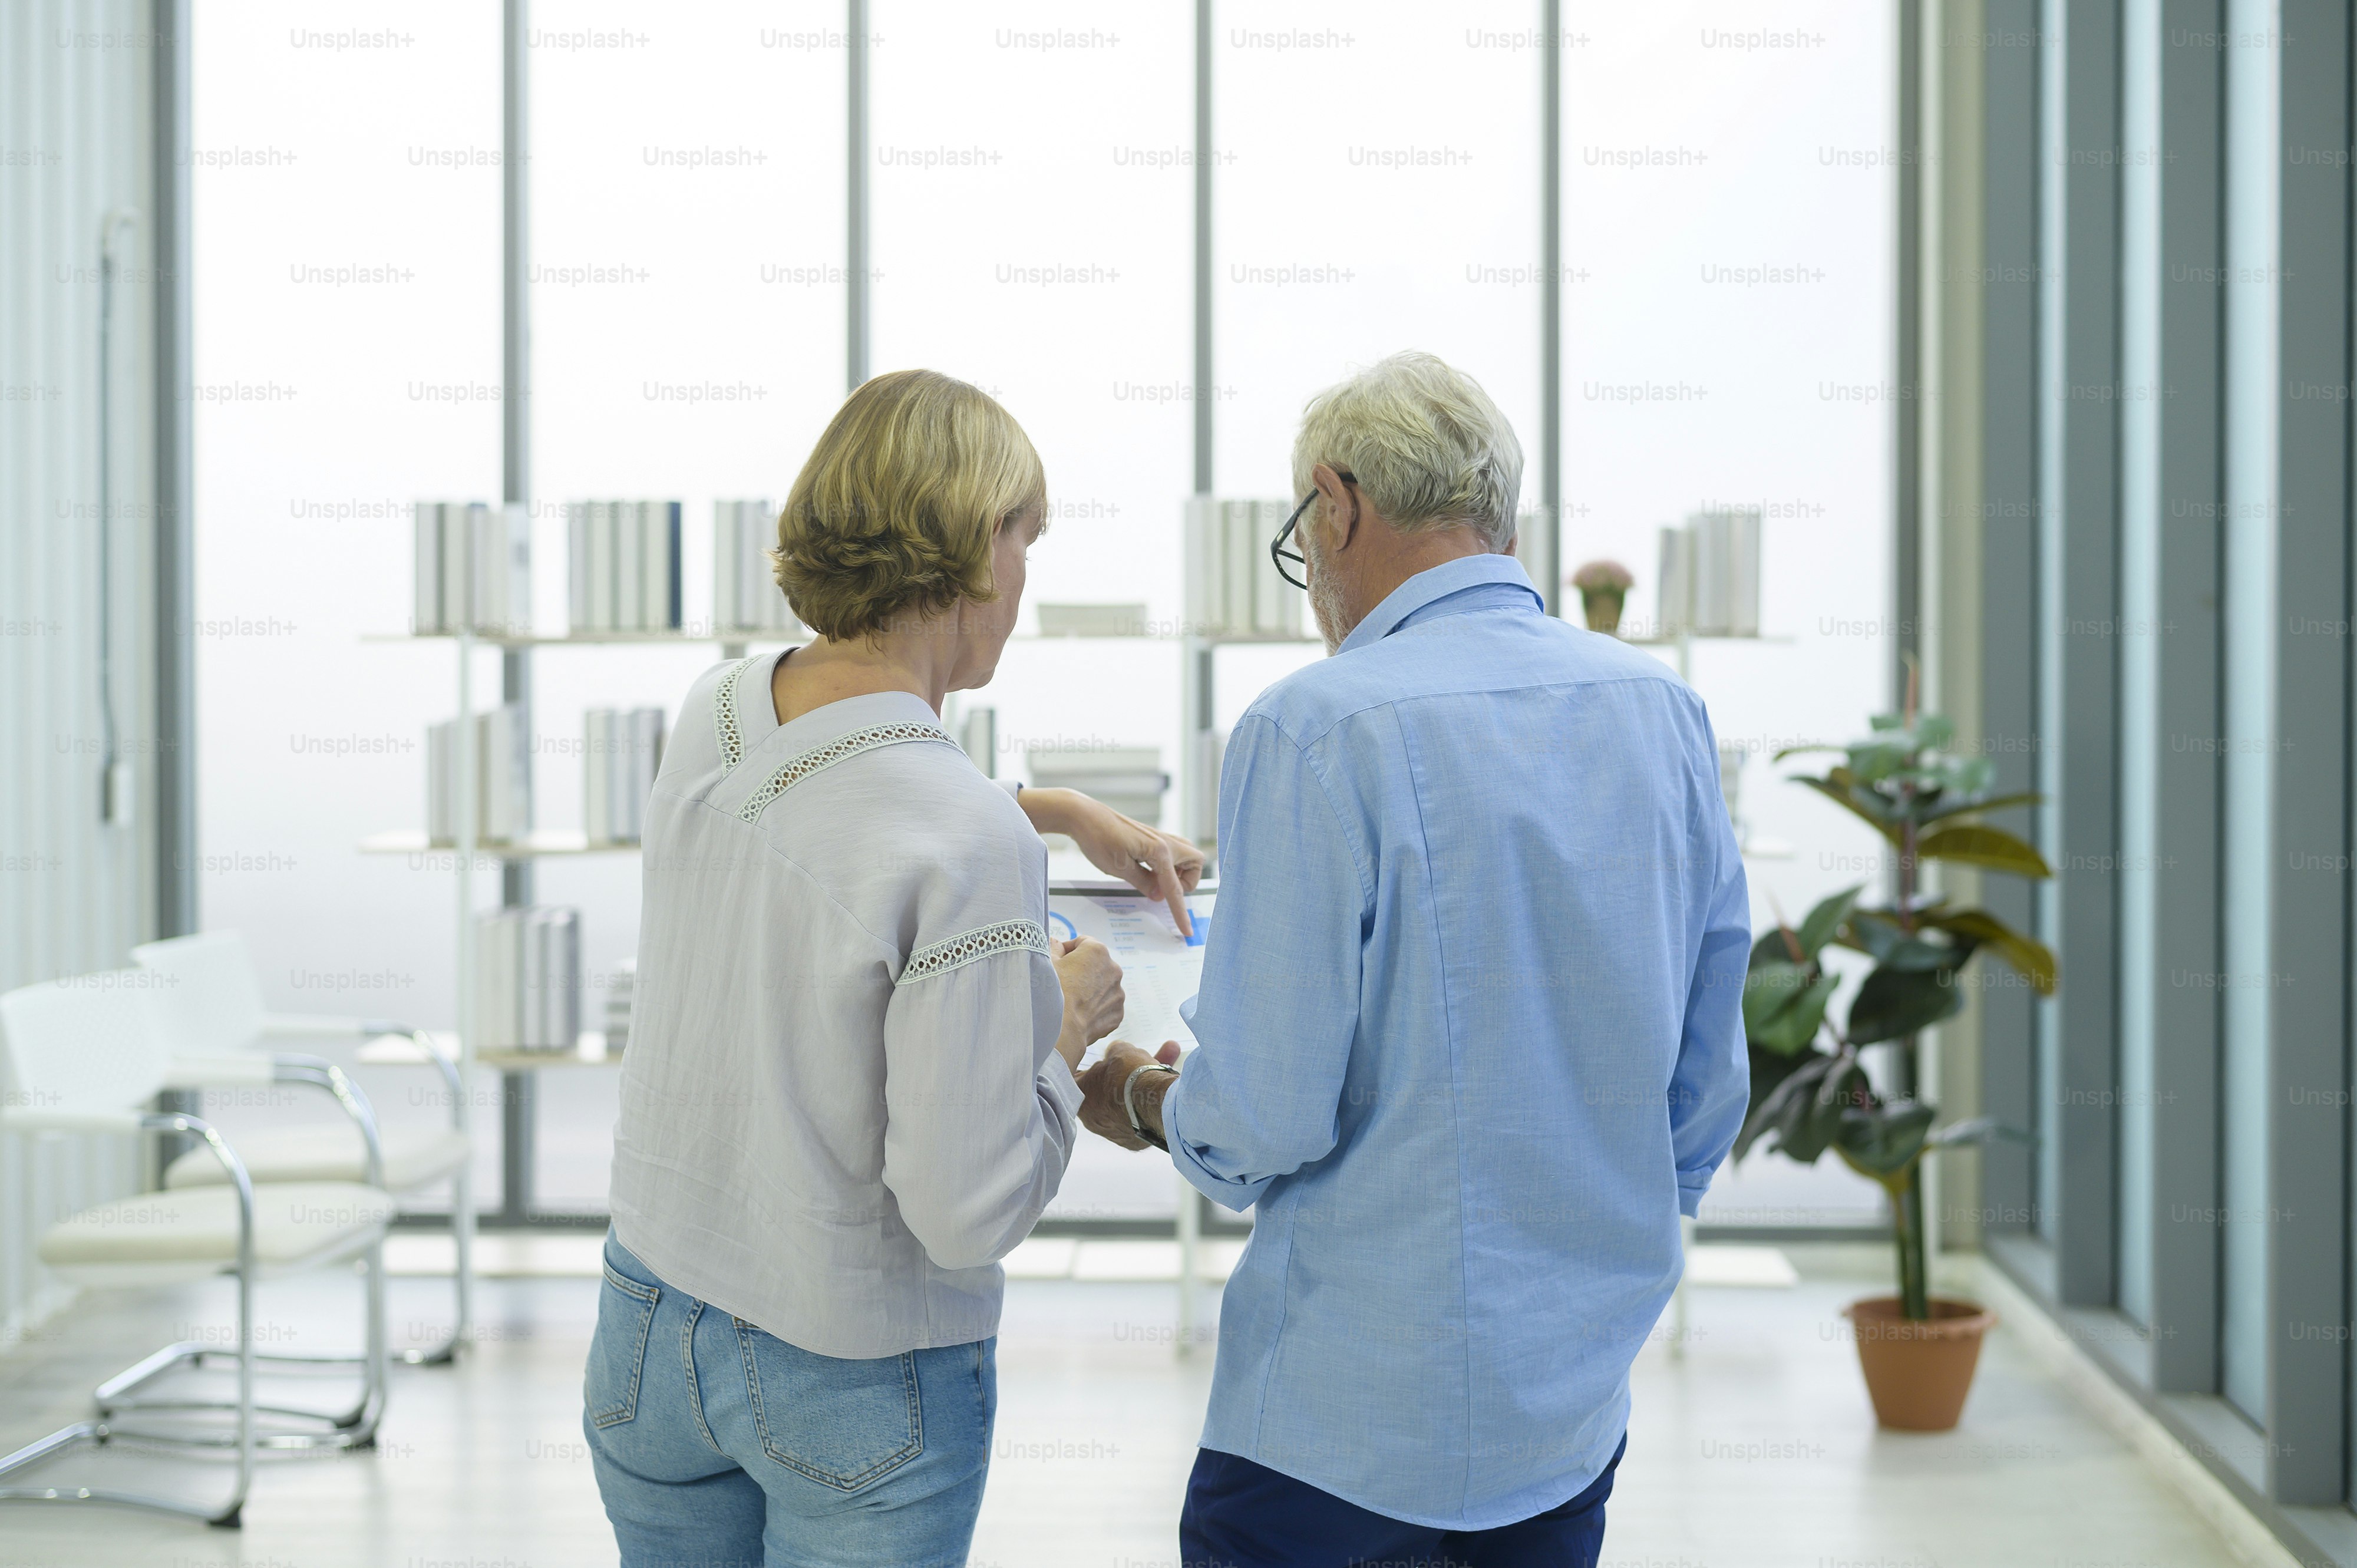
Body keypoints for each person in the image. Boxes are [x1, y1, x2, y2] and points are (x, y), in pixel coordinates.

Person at [1077, 352, 1751, 1568]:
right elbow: (1702, 1088)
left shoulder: (1317, 724)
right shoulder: (1665, 712)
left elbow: (1262, 1120)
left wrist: (1140, 1095)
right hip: (1566, 1408)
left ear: (1335, 504)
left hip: (1340, 1426)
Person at [586, 368, 1202, 1568]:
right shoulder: (960, 838)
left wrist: (1057, 810)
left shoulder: (714, 709)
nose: (1024, 576)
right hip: (847, 1371)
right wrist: (1059, 1027)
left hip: (647, 1330)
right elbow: (964, 1209)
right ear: (976, 546)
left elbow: (820, 816)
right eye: (1026, 540)